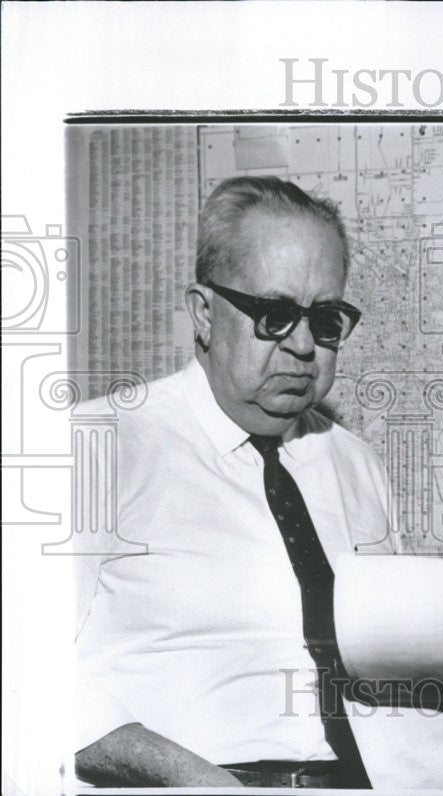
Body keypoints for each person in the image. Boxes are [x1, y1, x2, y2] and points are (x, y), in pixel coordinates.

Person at [74, 176, 393, 788]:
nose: (303, 346)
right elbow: (22, 673)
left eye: (325, 320)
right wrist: (190, 776)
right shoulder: (96, 445)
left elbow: (392, 665)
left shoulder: (357, 464)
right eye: (274, 315)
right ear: (203, 312)